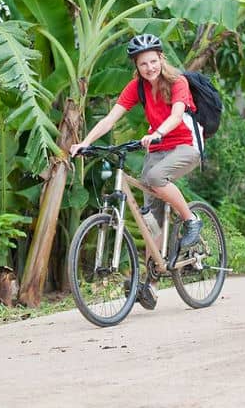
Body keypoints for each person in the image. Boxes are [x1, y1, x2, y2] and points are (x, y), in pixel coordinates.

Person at [69, 34, 204, 306]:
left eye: (153, 61)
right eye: (144, 64)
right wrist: (84, 143)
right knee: (148, 219)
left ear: (161, 59)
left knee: (154, 178)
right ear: (137, 66)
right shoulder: (137, 87)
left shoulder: (178, 82)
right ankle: (151, 283)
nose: (150, 68)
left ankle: (191, 220)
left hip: (185, 147)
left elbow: (177, 115)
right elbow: (110, 118)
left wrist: (159, 132)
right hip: (156, 151)